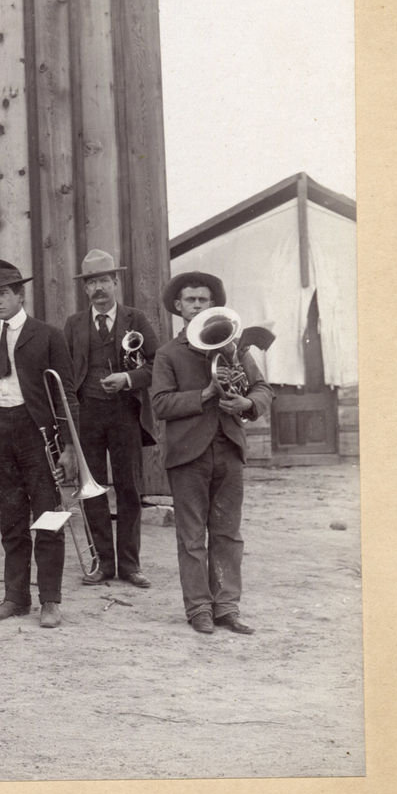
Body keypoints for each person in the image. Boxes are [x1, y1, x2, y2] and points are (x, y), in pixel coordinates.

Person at [150, 271, 274, 636]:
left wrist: (247, 401)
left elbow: (264, 389)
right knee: (191, 537)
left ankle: (227, 608)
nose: (198, 306)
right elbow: (159, 403)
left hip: (229, 448)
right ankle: (199, 609)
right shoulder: (167, 354)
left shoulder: (233, 348)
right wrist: (205, 394)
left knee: (228, 534)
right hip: (188, 454)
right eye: (191, 300)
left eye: (204, 300)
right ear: (179, 307)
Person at [0, 260, 78, 630]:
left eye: (3, 294)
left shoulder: (47, 335)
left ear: (20, 295)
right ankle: (16, 597)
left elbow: (67, 395)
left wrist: (69, 447)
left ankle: (50, 600)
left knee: (48, 518)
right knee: (11, 520)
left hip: (37, 433)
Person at [62, 249, 161, 589]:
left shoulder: (136, 319)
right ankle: (103, 562)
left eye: (104, 280)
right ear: (85, 289)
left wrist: (128, 380)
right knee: (92, 489)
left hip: (124, 413)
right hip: (88, 413)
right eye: (92, 282)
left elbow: (157, 363)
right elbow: (65, 372)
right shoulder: (73, 324)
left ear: (116, 282)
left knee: (130, 488)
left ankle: (130, 565)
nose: (99, 288)